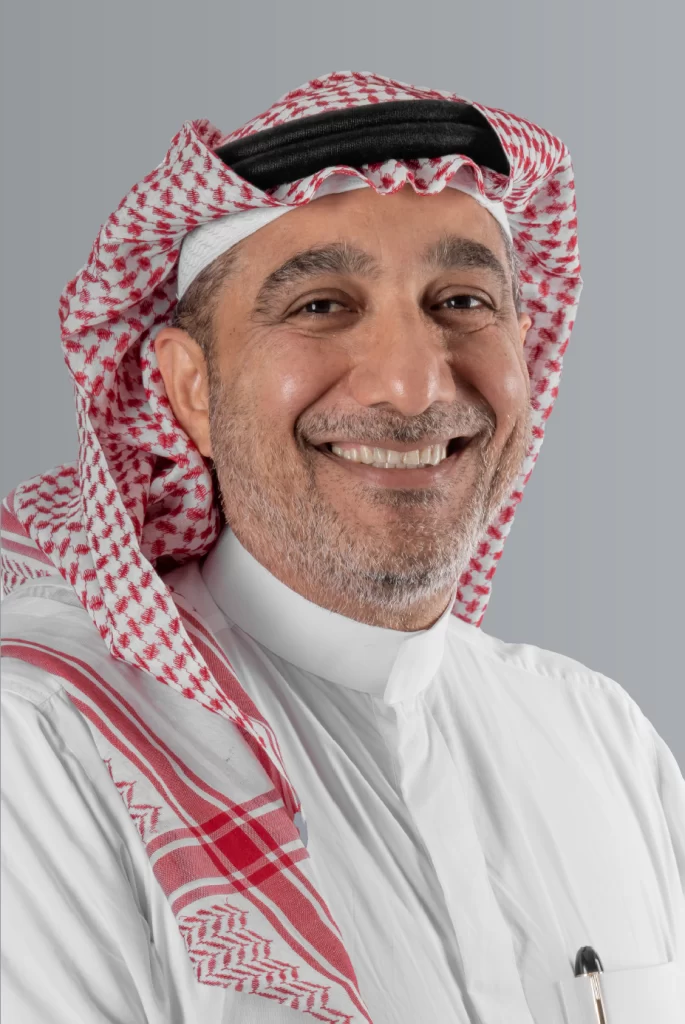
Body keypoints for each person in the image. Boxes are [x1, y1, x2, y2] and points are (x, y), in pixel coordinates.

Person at [1, 71, 683, 1024]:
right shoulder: (50, 747)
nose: (412, 386)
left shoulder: (603, 743)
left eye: (461, 301)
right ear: (191, 390)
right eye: (320, 306)